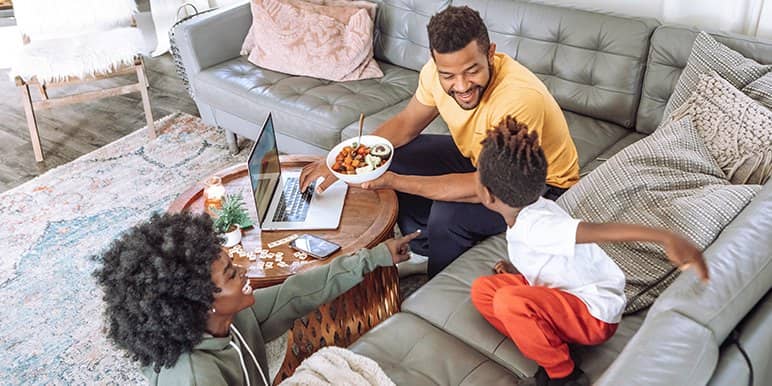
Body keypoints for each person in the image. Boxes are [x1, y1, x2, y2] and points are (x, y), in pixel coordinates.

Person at [300, 6, 580, 277]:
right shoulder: (433, 75)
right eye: (448, 75)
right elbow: (406, 124)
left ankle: (436, 279)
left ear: (491, 54)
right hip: (480, 158)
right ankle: (424, 250)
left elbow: (485, 184)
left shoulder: (517, 99)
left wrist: (395, 181)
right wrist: (343, 160)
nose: (461, 86)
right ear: (436, 65)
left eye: (472, 71)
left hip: (537, 186)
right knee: (394, 154)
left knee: (448, 214)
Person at [469, 116, 709, 386]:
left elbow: (601, 231)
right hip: (562, 294)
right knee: (483, 291)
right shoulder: (531, 209)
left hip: (593, 315)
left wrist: (664, 237)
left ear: (487, 195)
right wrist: (518, 271)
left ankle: (563, 374)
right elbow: (549, 261)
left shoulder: (539, 226)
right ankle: (547, 339)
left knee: (507, 302)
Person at [93, 212, 420, 385]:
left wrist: (374, 257)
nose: (245, 275)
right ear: (202, 302)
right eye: (232, 275)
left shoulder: (230, 320)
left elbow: (295, 294)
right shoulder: (195, 377)